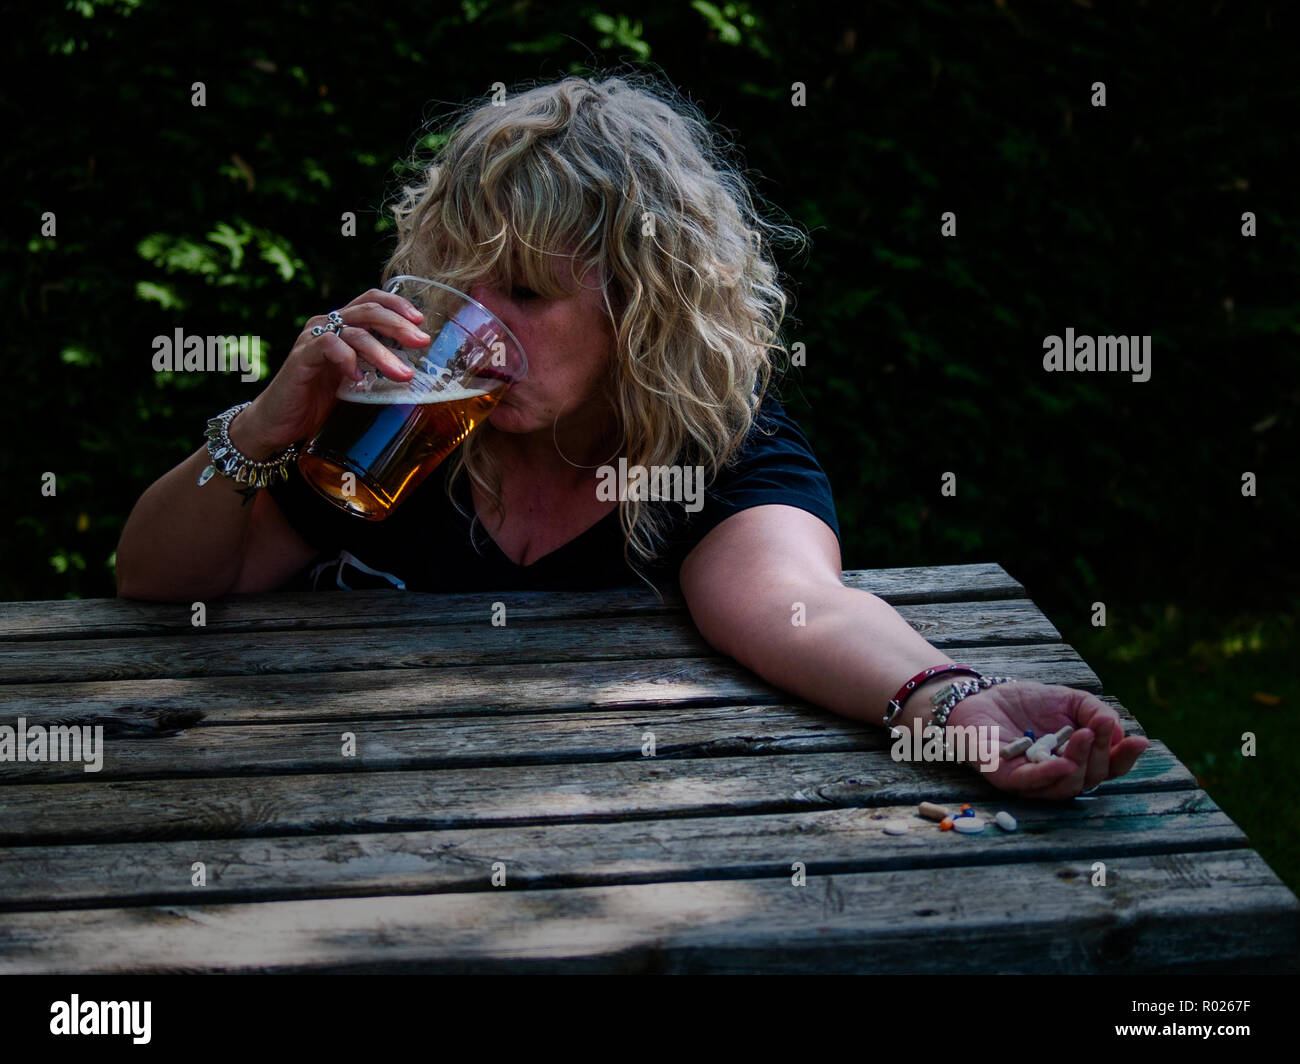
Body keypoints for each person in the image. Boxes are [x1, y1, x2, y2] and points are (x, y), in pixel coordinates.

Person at [116, 73, 1148, 799]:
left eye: (522, 293)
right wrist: (259, 429)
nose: (473, 333)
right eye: (457, 285)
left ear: (641, 306)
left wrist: (950, 697)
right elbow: (161, 581)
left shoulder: (716, 455)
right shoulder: (394, 425)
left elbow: (798, 606)